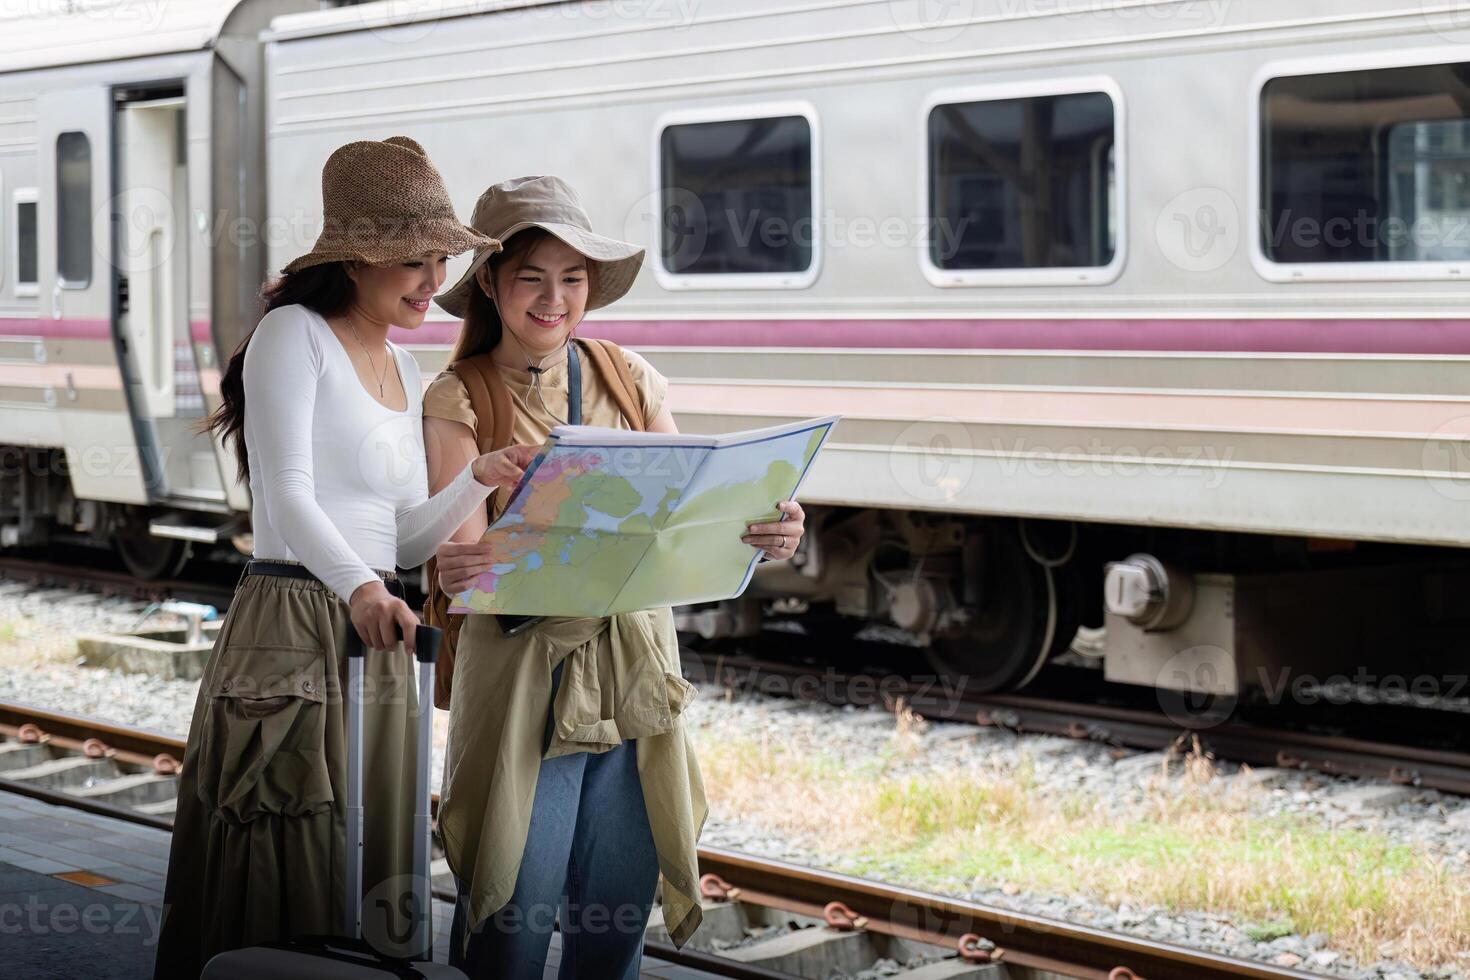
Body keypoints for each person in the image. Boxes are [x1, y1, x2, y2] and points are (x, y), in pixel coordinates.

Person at [153, 137, 538, 977]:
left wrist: (477, 477)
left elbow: (400, 539)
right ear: (358, 260)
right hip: (293, 618)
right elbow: (288, 496)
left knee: (377, 866)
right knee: (286, 840)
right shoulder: (293, 334)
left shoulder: (404, 364)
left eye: (439, 261)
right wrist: (361, 589)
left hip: (382, 624)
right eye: (413, 260)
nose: (432, 281)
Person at [422, 175, 807, 980]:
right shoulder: (459, 396)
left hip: (635, 672)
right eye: (531, 277)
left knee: (615, 926)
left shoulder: (629, 376)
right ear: (490, 283)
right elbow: (471, 563)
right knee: (512, 926)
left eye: (573, 277)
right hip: (524, 678)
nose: (554, 298)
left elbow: (694, 507)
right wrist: (464, 561)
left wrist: (769, 530)